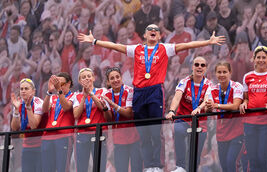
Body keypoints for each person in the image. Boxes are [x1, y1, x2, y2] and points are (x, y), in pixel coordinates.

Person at [78, 23, 225, 171]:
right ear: (145, 35)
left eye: (156, 30)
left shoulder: (164, 48)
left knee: (156, 130)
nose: (153, 31)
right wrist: (94, 41)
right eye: (150, 30)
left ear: (160, 35)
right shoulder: (137, 49)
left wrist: (208, 42)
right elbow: (116, 46)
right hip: (139, 92)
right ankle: (149, 166)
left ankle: (157, 165)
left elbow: (187, 45)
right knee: (143, 132)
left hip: (155, 92)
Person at [166, 56, 212, 172]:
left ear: (206, 68)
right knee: (178, 130)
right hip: (184, 119)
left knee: (195, 152)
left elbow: (207, 99)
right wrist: (172, 111)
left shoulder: (209, 84)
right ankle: (180, 167)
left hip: (200, 123)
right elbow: (177, 98)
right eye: (197, 64)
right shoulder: (184, 81)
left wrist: (199, 108)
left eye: (202, 65)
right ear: (192, 67)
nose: (199, 67)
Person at [239, 46, 267, 171]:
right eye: (258, 57)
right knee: (252, 158)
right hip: (249, 123)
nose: (261, 60)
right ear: (253, 59)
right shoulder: (247, 76)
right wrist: (244, 103)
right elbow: (246, 98)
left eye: (264, 57)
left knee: (263, 158)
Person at [205, 62, 244, 172]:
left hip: (237, 132)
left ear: (230, 73)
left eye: (224, 72)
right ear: (215, 74)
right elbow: (208, 108)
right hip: (221, 133)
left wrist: (216, 105)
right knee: (224, 166)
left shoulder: (237, 86)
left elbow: (236, 106)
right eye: (219, 72)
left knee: (231, 162)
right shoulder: (212, 89)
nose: (222, 75)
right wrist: (208, 107)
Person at [103, 67, 142, 172]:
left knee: (137, 169)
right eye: (112, 78)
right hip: (118, 139)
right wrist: (105, 108)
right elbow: (109, 120)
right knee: (121, 169)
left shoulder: (130, 91)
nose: (115, 80)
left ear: (121, 78)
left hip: (135, 137)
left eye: (117, 77)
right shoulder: (106, 95)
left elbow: (129, 114)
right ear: (108, 81)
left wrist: (112, 104)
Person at [72, 67, 110, 172]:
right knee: (81, 167)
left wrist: (91, 94)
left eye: (89, 76)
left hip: (98, 132)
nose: (87, 78)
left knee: (99, 165)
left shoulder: (102, 91)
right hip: (82, 133)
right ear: (80, 81)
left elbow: (103, 108)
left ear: (93, 78)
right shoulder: (77, 95)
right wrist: (84, 97)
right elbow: (76, 115)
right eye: (83, 77)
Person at [41, 73, 75, 172]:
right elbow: (44, 109)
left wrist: (59, 90)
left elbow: (66, 107)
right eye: (57, 84)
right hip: (47, 136)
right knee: (47, 169)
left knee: (62, 168)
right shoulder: (53, 97)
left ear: (68, 83)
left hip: (64, 136)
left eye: (61, 84)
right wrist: (49, 92)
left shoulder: (74, 96)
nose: (58, 86)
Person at [11, 78, 45, 172]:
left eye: (26, 88)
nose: (23, 91)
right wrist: (16, 111)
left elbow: (34, 126)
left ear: (33, 91)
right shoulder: (18, 103)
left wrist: (28, 107)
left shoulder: (39, 103)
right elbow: (14, 128)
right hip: (27, 146)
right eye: (21, 89)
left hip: (41, 146)